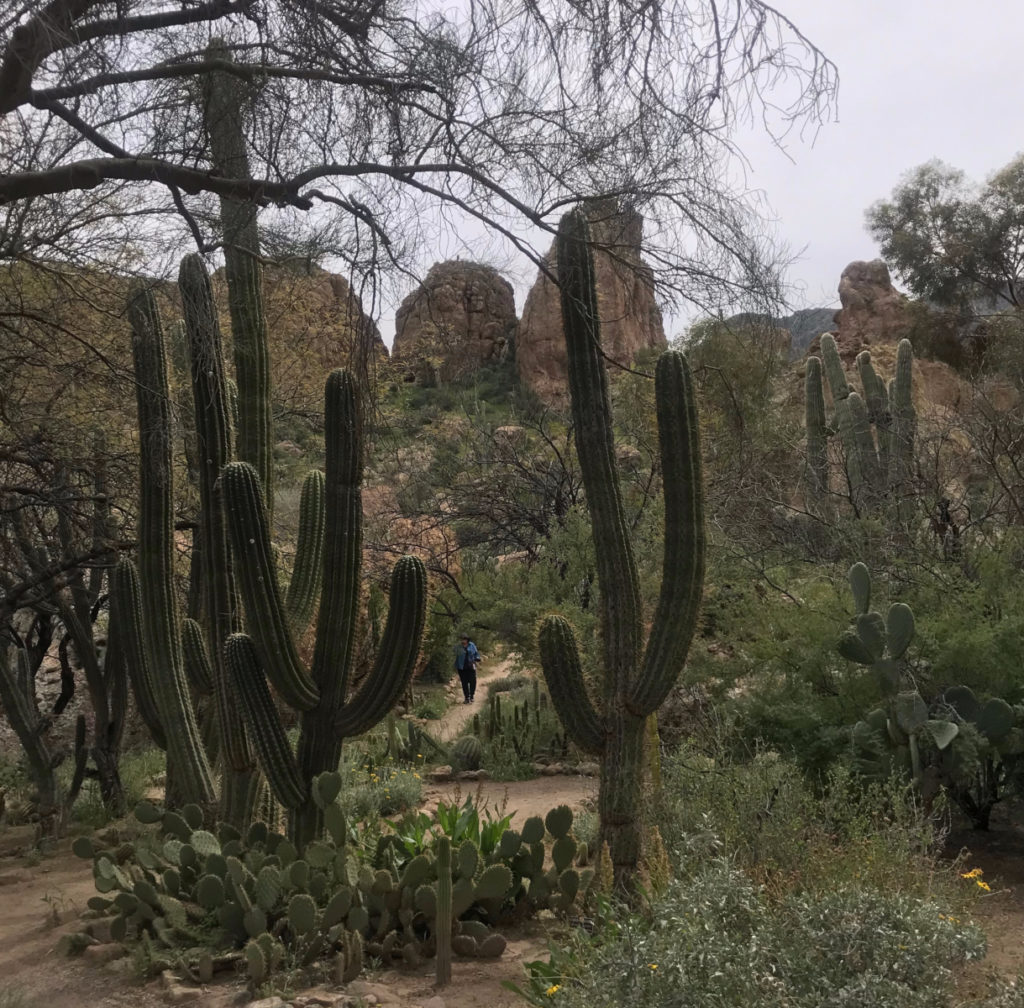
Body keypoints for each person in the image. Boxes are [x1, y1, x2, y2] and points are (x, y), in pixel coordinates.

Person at [454, 634, 481, 704]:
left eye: (464, 639)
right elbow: (454, 653)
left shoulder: (472, 645)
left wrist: (477, 658)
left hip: (471, 666)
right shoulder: (458, 646)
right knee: (464, 682)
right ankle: (466, 697)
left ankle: (471, 695)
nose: (463, 641)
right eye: (462, 639)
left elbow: (476, 653)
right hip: (461, 667)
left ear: (467, 640)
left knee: (473, 681)